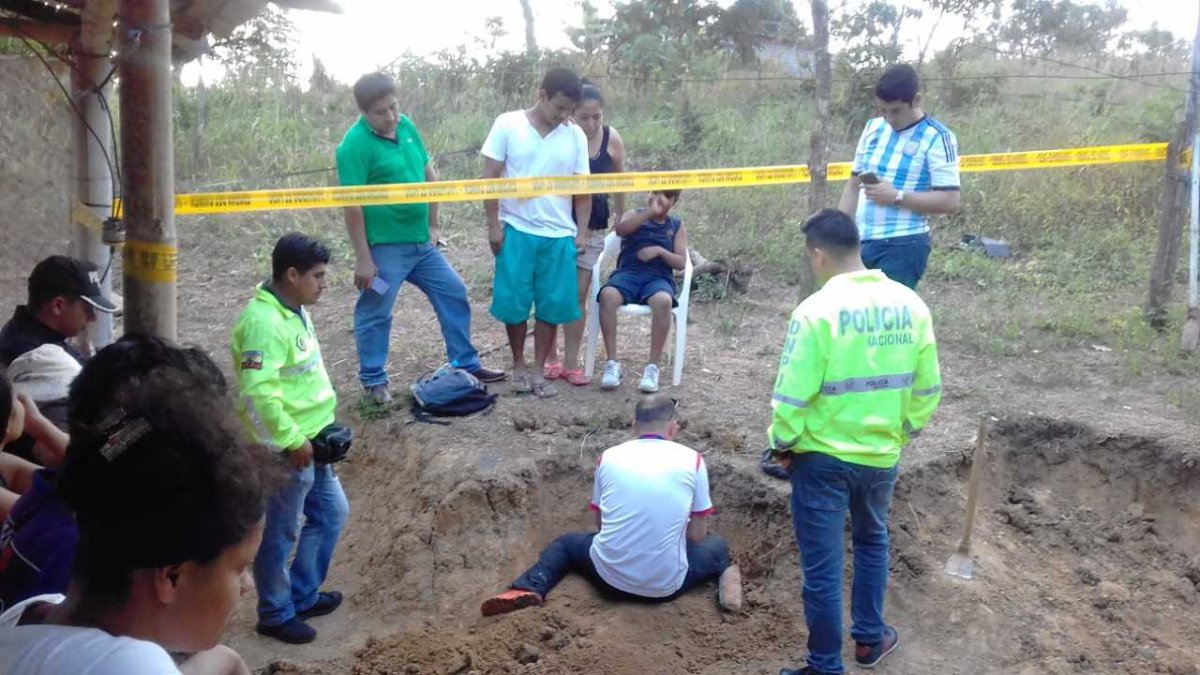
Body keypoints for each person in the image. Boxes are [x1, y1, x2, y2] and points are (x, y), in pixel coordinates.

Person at [0, 334, 278, 674]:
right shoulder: (134, 666)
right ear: (171, 576)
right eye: (240, 567)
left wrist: (224, 660)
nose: (248, 586)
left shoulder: (34, 613)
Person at [769, 209, 942, 675]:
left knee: (823, 570)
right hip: (881, 455)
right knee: (871, 542)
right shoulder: (910, 305)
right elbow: (928, 388)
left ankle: (826, 665)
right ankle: (869, 639)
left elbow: (792, 395)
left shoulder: (815, 312)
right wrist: (901, 433)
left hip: (821, 460)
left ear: (818, 255)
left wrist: (782, 445)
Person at [337, 72, 506, 405]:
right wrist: (363, 259)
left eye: (393, 107)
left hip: (421, 245)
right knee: (376, 306)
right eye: (380, 112)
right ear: (363, 112)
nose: (390, 117)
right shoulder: (353, 146)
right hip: (385, 249)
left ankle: (465, 363)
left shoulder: (407, 127)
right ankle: (374, 380)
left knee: (454, 291)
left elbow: (429, 175)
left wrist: (433, 223)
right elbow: (352, 206)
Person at [480, 394, 731, 615]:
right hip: (664, 587)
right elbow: (697, 536)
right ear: (673, 429)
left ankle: (529, 586)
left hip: (608, 580)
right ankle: (722, 577)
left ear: (633, 426)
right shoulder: (693, 460)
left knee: (566, 545)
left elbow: (600, 525)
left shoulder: (609, 457)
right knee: (717, 546)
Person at [231, 234, 349, 645]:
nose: (324, 284)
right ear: (292, 275)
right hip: (288, 450)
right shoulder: (263, 324)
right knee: (281, 532)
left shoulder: (293, 310)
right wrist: (289, 441)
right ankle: (276, 613)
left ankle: (302, 595)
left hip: (312, 442)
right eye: (318, 276)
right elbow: (258, 395)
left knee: (332, 513)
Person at [482, 67, 592, 398]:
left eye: (569, 110)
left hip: (558, 234)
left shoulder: (575, 135)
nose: (564, 116)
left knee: (552, 305)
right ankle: (518, 365)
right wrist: (493, 225)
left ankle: (538, 370)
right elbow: (489, 178)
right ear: (541, 95)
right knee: (514, 303)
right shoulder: (507, 124)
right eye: (559, 107)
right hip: (516, 228)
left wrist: (581, 232)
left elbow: (583, 189)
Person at [837, 64, 960, 289]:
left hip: (904, 244)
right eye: (882, 110)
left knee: (885, 312)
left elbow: (950, 201)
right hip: (861, 243)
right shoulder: (872, 128)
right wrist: (839, 234)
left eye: (895, 111)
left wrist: (897, 196)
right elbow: (853, 185)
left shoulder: (938, 137)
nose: (888, 118)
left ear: (916, 100)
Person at [544, 80, 626, 386]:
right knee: (552, 292)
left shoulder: (611, 138)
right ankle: (549, 358)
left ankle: (571, 362)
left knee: (579, 294)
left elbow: (620, 178)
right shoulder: (560, 135)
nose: (591, 124)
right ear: (571, 114)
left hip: (593, 225)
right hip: (557, 223)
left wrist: (621, 212)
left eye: (597, 117)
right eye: (584, 117)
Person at [0, 256, 116, 464]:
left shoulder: (19, 329)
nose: (93, 317)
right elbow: (61, 457)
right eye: (87, 308)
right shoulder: (42, 360)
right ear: (58, 305)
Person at [597, 190, 689, 393]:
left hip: (658, 278)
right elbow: (620, 230)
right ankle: (612, 363)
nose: (658, 197)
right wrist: (648, 213)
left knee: (664, 301)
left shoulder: (676, 225)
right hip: (628, 273)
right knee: (607, 295)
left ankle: (652, 367)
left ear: (673, 201)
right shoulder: (634, 214)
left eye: (665, 195)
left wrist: (659, 251)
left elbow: (681, 262)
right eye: (654, 192)